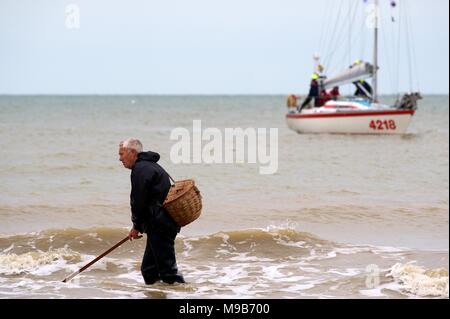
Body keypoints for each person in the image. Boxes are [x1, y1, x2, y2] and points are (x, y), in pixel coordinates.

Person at [119, 138, 185, 285]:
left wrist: (136, 226)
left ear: (133, 152)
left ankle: (186, 295)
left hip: (160, 225)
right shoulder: (149, 166)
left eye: (122, 154)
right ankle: (157, 294)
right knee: (149, 270)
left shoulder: (141, 169)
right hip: (161, 223)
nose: (120, 159)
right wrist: (139, 225)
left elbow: (138, 201)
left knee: (168, 272)